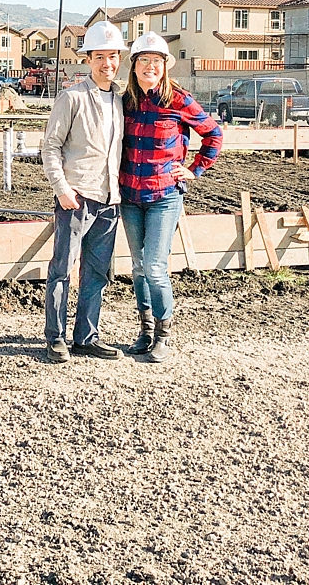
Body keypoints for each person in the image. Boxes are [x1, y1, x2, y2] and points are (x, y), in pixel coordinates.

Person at [119, 31, 223, 363]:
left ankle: (163, 334)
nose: (151, 66)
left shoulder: (179, 100)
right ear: (134, 66)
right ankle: (145, 331)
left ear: (165, 66)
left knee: (154, 266)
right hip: (130, 196)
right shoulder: (126, 103)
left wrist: (196, 169)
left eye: (157, 61)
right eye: (144, 60)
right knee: (137, 267)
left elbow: (214, 134)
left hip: (163, 195)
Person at [39, 20, 129, 363]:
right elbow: (50, 147)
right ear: (88, 59)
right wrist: (62, 189)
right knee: (62, 268)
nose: (108, 63)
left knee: (96, 271)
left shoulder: (120, 101)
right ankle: (56, 337)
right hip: (76, 198)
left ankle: (86, 336)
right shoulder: (72, 97)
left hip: (109, 199)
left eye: (113, 56)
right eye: (100, 57)